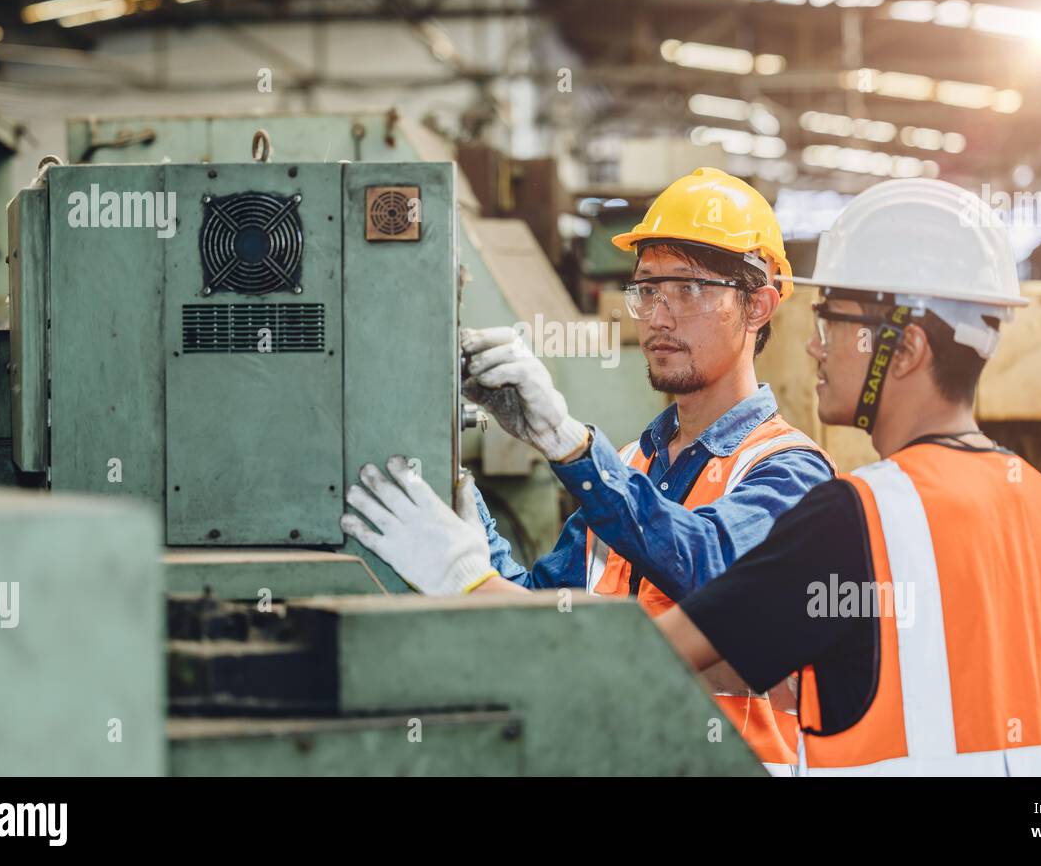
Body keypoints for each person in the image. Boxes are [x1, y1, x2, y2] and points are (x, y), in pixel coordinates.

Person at [342, 167, 834, 774]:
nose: (658, 316)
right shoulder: (631, 468)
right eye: (648, 289)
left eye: (688, 289)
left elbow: (717, 577)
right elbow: (545, 615)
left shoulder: (791, 475)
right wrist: (469, 527)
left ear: (757, 303)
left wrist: (570, 446)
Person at [653, 177, 1041, 775]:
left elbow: (654, 655)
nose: (814, 348)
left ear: (908, 348)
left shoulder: (856, 518)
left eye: (834, 322)